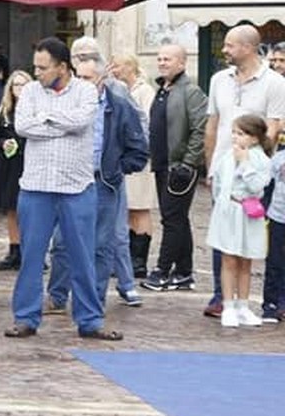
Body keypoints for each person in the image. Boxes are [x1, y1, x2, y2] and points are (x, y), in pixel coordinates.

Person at [5, 37, 121, 341]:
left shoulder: (85, 90)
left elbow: (82, 121)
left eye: (43, 67)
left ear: (62, 66)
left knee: (82, 255)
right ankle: (26, 317)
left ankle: (90, 320)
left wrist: (45, 119)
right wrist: (59, 124)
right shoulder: (30, 90)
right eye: (36, 67)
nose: (38, 72)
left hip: (76, 185)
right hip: (36, 185)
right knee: (31, 255)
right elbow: (23, 127)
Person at [46, 38, 148, 312]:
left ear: (102, 76)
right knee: (62, 242)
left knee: (102, 245)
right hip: (68, 180)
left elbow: (138, 146)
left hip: (103, 182)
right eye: (79, 77)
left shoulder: (119, 103)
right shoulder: (63, 101)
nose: (83, 83)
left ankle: (94, 301)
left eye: (89, 78)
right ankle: (57, 296)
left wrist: (115, 168)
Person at [202, 24, 285, 318]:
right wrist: (210, 164)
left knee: (250, 238)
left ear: (249, 47)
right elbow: (212, 125)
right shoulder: (218, 80)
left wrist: (253, 163)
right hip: (223, 170)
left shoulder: (274, 82)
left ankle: (248, 301)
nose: (224, 50)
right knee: (221, 236)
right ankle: (220, 296)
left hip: (254, 174)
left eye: (230, 45)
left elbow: (273, 128)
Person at [142, 43, 208, 293]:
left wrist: (188, 163)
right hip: (161, 164)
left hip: (178, 167)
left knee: (171, 220)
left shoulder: (190, 91)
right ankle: (184, 273)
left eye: (167, 59)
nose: (161, 62)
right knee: (178, 219)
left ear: (182, 63)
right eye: (159, 58)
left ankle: (161, 271)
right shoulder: (162, 90)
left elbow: (200, 128)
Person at [206, 113, 273, 327]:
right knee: (228, 258)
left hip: (248, 212)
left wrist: (245, 164)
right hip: (229, 210)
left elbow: (257, 187)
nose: (235, 137)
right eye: (234, 133)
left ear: (254, 138)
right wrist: (220, 201)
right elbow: (218, 182)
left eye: (241, 134)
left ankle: (243, 306)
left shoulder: (261, 159)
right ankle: (228, 305)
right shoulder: (228, 155)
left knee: (246, 259)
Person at [111, 53, 157, 278]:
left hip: (141, 157)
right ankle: (127, 258)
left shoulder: (144, 91)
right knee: (128, 209)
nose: (114, 70)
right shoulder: (121, 89)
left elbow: (147, 124)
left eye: (117, 65)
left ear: (130, 67)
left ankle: (139, 261)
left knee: (140, 207)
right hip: (124, 157)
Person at [0, 69, 33, 271]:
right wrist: (3, 143)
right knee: (11, 209)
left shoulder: (35, 108)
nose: (20, 89)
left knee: (30, 211)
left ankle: (31, 251)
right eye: (16, 85)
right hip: (10, 165)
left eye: (24, 84)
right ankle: (14, 250)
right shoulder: (4, 112)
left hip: (30, 164)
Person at [265, 132, 285, 322]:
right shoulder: (277, 159)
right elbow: (268, 187)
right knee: (274, 260)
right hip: (277, 216)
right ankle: (270, 303)